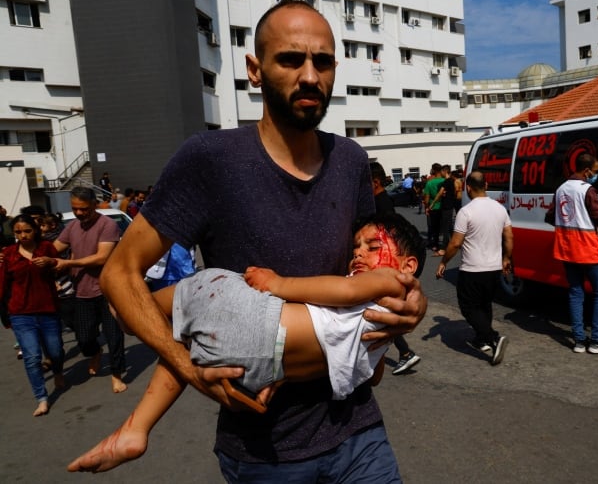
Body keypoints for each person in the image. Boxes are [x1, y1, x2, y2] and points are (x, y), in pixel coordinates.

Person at [96, 0, 426, 482]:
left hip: (357, 431)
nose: (310, 76)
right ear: (255, 69)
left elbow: (367, 268)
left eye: (323, 61)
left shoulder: (351, 160)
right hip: (264, 453)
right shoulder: (209, 160)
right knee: (200, 297)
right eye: (291, 59)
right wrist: (189, 369)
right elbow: (119, 273)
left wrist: (410, 307)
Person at [68, 213, 425, 473]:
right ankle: (136, 426)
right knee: (190, 340)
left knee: (200, 290)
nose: (359, 253)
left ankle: (131, 318)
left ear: (408, 265)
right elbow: (369, 376)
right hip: (264, 367)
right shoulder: (385, 319)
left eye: (372, 246)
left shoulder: (389, 281)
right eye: (356, 246)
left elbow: (345, 289)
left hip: (258, 322)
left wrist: (278, 284)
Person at [544, 153, 598, 354]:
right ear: (587, 170)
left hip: (566, 249)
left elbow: (550, 217)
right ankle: (597, 340)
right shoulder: (588, 190)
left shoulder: (561, 188)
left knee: (576, 292)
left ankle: (579, 341)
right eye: (595, 171)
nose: (595, 175)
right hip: (587, 249)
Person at [53, 187, 128, 392]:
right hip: (82, 291)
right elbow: (54, 248)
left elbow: (101, 257)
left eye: (83, 209)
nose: (78, 213)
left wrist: (67, 264)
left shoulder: (108, 225)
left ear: (94, 205)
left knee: (114, 335)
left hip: (107, 291)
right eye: (74, 209)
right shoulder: (72, 227)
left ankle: (116, 374)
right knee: (84, 338)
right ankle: (95, 353)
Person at [436, 171, 512, 365]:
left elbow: (455, 243)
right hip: (494, 268)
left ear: (468, 187)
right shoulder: (500, 209)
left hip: (472, 269)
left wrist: (444, 262)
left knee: (468, 306)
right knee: (484, 304)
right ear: (486, 185)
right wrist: (506, 258)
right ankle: (481, 339)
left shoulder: (466, 211)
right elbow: (509, 237)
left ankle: (493, 338)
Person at [0, 214, 66, 416]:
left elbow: (60, 269)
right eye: (18, 232)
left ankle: (57, 371)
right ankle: (42, 398)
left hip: (48, 309)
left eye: (27, 230)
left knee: (55, 351)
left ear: (35, 230)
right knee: (32, 356)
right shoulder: (9, 254)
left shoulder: (46, 248)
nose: (23, 235)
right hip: (21, 313)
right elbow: (2, 286)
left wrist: (50, 263)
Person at [369, 162, 421, 375]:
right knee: (381, 312)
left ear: (375, 182)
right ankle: (403, 353)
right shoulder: (379, 202)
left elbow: (388, 241)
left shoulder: (382, 206)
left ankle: (405, 353)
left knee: (381, 312)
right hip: (385, 267)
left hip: (385, 267)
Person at [429, 164, 456, 256]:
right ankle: (454, 243)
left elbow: (440, 193)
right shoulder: (451, 181)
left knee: (445, 228)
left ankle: (444, 248)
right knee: (449, 226)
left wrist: (432, 203)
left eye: (441, 172)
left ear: (445, 171)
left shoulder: (447, 181)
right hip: (450, 205)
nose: (441, 173)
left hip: (446, 207)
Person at [423, 163, 445, 253]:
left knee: (434, 227)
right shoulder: (445, 181)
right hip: (444, 207)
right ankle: (445, 244)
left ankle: (435, 245)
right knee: (445, 226)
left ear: (434, 170)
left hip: (433, 207)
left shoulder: (429, 183)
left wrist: (426, 207)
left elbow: (427, 199)